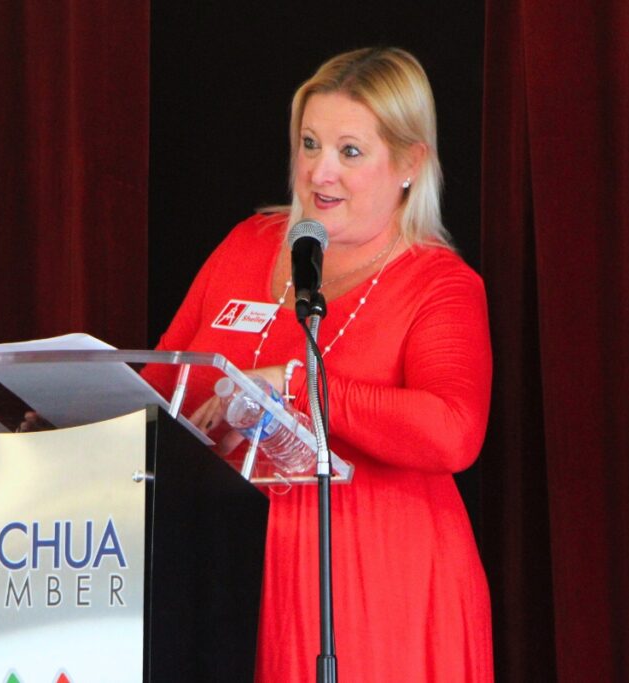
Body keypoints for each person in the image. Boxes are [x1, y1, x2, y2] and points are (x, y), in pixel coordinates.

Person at [144, 47, 493, 681]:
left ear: (411, 162)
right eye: (309, 144)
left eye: (349, 152)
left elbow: (454, 428)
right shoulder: (246, 245)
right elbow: (161, 384)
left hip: (375, 587)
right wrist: (73, 409)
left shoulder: (439, 284)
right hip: (218, 570)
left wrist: (298, 388)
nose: (319, 173)